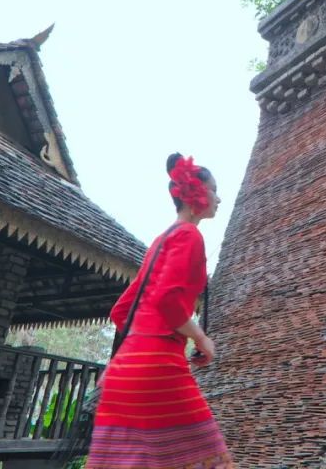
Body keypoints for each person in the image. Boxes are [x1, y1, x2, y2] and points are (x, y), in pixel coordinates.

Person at [85, 154, 233, 469]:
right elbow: (167, 299)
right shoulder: (189, 235)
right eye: (214, 190)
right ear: (195, 195)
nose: (219, 198)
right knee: (207, 459)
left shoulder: (160, 241)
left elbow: (122, 310)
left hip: (123, 371)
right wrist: (201, 338)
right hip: (157, 366)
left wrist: (134, 351)